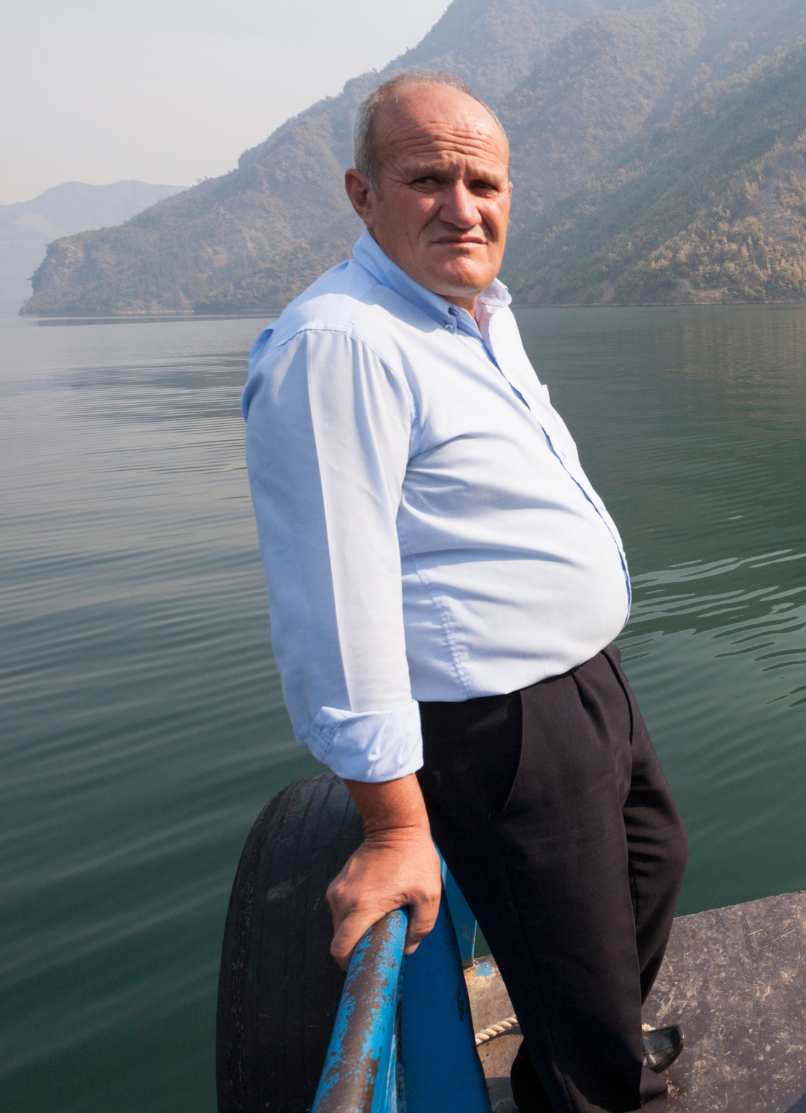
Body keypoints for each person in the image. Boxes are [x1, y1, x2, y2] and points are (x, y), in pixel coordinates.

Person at [242, 69, 687, 1113]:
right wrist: (397, 826)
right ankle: (594, 1088)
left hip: (587, 685)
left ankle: (588, 1050)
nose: (462, 205)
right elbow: (337, 605)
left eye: (483, 183)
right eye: (427, 177)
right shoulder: (341, 343)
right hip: (497, 720)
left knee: (651, 864)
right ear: (364, 194)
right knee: (570, 945)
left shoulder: (472, 314)